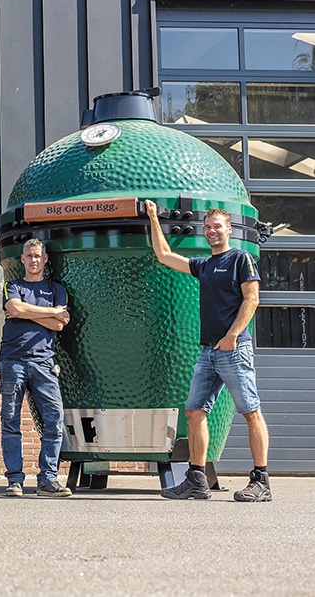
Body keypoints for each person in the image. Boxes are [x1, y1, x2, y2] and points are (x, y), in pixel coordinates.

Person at [146, 201, 270, 502]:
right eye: (208, 227)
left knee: (250, 411)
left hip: (233, 348)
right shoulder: (204, 265)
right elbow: (164, 256)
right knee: (194, 410)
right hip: (208, 353)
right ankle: (197, 480)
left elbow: (251, 299)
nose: (212, 231)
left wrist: (231, 336)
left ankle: (261, 480)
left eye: (217, 226)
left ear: (228, 230)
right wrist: (152, 218)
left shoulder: (240, 258)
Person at [0, 237, 73, 498]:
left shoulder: (56, 289)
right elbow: (13, 307)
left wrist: (27, 313)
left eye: (38, 256)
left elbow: (60, 324)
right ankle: (15, 480)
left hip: (44, 363)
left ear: (45, 259)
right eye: (29, 256)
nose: (33, 260)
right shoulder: (12, 286)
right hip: (13, 361)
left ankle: (47, 480)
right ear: (22, 259)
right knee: (10, 421)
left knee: (54, 421)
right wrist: (49, 312)